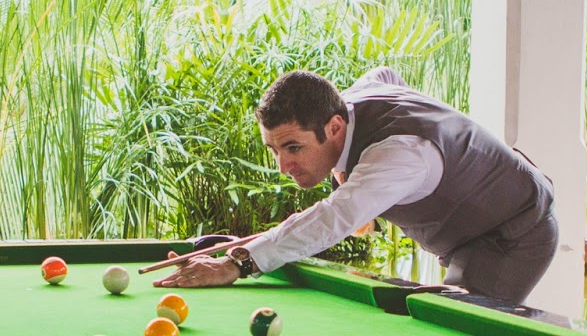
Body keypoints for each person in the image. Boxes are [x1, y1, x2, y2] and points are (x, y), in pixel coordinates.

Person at [156, 67, 557, 303]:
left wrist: (236, 263)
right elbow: (385, 74)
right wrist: (347, 167)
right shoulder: (346, 105)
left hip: (511, 232)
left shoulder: (399, 153)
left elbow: (335, 218)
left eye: (293, 147)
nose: (283, 166)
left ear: (333, 128)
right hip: (464, 227)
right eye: (274, 149)